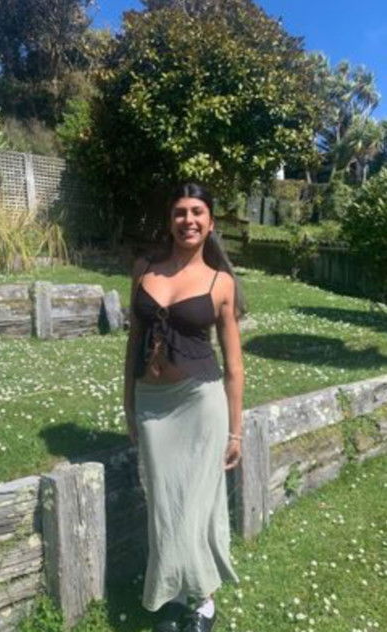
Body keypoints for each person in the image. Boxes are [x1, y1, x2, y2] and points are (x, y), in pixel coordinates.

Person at [124, 182, 244, 632]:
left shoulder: (220, 282)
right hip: (152, 406)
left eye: (197, 212)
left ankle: (202, 601)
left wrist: (235, 430)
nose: (188, 220)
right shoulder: (143, 270)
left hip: (201, 405)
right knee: (163, 502)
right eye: (179, 212)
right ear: (169, 219)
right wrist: (128, 404)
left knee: (195, 504)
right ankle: (175, 592)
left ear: (210, 223)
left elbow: (234, 366)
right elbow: (133, 343)